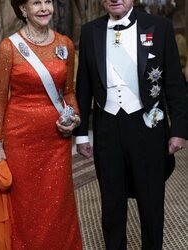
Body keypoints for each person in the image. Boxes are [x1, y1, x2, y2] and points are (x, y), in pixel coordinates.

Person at [74, 0, 187, 249]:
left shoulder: (160, 27)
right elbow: (83, 87)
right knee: (111, 201)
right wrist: (81, 134)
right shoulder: (89, 31)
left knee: (151, 200)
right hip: (107, 126)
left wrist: (178, 130)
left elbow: (175, 84)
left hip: (147, 125)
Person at [0, 0, 82, 248]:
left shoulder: (65, 44)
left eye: (48, 2)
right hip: (21, 139)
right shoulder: (9, 48)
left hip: (56, 140)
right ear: (23, 9)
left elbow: (69, 92)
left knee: (57, 202)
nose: (44, 8)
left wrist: (75, 118)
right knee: (26, 204)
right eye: (36, 3)